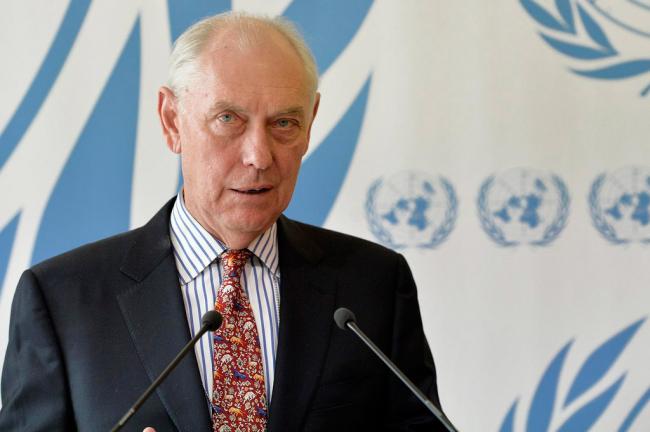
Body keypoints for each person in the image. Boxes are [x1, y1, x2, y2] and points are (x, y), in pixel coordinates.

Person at [0, 12, 446, 432]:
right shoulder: (62, 300)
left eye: (284, 122)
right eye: (228, 119)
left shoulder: (373, 286)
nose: (259, 156)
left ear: (310, 123)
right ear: (172, 121)